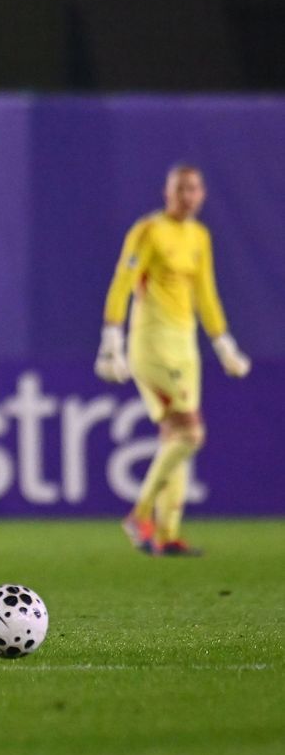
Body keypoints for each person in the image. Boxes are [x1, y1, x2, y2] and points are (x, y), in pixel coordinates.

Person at [95, 163, 250, 557]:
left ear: (203, 195)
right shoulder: (149, 231)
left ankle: (166, 534)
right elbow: (123, 282)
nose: (188, 196)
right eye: (181, 188)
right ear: (167, 192)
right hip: (153, 344)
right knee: (191, 433)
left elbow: (206, 294)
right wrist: (111, 339)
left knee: (175, 439)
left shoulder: (199, 236)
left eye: (195, 189)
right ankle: (140, 514)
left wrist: (224, 345)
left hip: (186, 346)